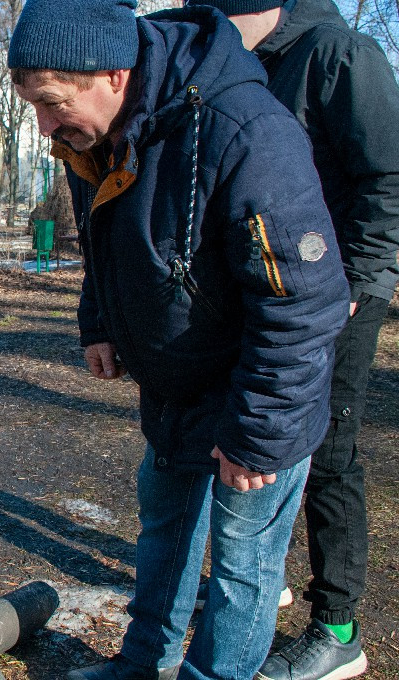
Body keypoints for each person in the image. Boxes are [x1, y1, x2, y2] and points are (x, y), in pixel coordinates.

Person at [7, 0, 350, 678]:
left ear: (112, 75)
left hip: (256, 390)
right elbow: (106, 238)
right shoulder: (94, 135)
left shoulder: (245, 130)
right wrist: (99, 320)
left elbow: (306, 301)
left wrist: (258, 429)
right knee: (164, 537)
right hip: (174, 386)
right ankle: (142, 666)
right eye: (35, 108)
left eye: (51, 103)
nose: (45, 126)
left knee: (242, 567)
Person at [180, 2, 399, 678]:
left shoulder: (339, 55)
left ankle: (337, 630)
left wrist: (357, 281)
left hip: (336, 297)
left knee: (329, 453)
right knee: (246, 433)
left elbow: (388, 176)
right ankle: (257, 581)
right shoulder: (242, 59)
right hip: (262, 291)